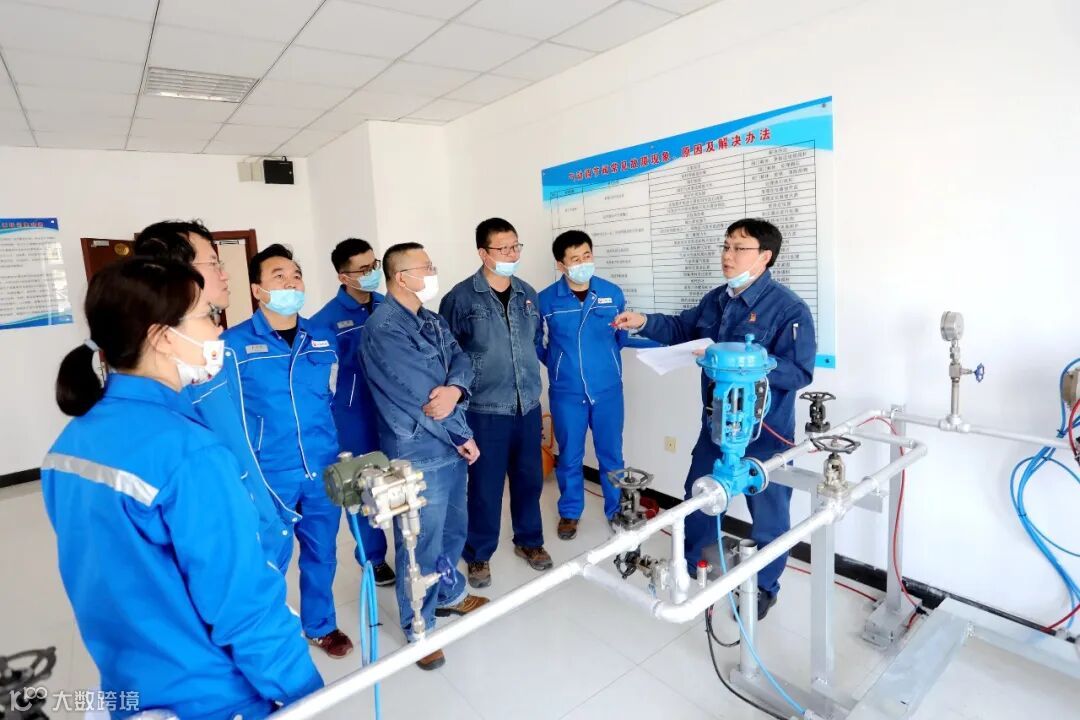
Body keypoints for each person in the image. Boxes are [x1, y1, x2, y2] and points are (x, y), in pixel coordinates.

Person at [42, 258, 322, 719]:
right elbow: (243, 606)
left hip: (129, 688)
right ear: (162, 336)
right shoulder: (191, 453)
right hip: (211, 698)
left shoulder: (68, 446)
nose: (219, 329)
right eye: (208, 315)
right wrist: (306, 692)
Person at [613, 218, 816, 620]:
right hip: (716, 427)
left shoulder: (788, 309)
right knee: (700, 495)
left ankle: (764, 587)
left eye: (739, 248)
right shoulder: (717, 300)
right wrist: (644, 322)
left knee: (769, 513)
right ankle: (699, 564)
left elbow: (799, 372)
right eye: (725, 246)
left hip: (764, 432)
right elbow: (681, 328)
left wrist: (742, 363)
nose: (728, 255)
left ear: (764, 257)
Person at [133, 220, 295, 562]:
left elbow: (240, 445)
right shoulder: (165, 386)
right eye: (213, 262)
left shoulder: (212, 358)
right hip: (230, 546)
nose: (224, 273)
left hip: (258, 524)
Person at [361, 242, 488, 671]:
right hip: (417, 450)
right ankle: (420, 627)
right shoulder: (383, 328)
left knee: (453, 529)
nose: (432, 271)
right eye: (426, 266)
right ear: (401, 277)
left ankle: (448, 591)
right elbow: (421, 396)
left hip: (448, 445)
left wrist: (456, 389)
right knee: (418, 541)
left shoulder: (430, 319)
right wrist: (461, 431)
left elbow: (460, 361)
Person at [223, 244, 353, 658]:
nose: (291, 282)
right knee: (267, 559)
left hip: (321, 464)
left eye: (296, 275)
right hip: (268, 472)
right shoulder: (233, 345)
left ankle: (320, 625)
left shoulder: (322, 337)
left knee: (322, 553)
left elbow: (329, 397)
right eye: (278, 276)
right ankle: (267, 635)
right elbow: (225, 415)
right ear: (257, 290)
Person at [439, 218, 551, 589]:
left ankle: (529, 540)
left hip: (527, 405)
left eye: (516, 246)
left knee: (529, 479)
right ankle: (478, 553)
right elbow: (447, 354)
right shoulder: (460, 298)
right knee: (485, 487)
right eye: (503, 248)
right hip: (484, 409)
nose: (512, 254)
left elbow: (531, 343)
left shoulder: (527, 294)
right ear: (483, 253)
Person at [311, 237, 394, 586]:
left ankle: (409, 545)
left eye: (374, 265)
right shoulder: (324, 322)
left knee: (398, 477)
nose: (373, 273)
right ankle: (373, 558)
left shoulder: (386, 305)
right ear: (343, 277)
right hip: (353, 416)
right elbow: (322, 384)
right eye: (363, 269)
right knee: (363, 485)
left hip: (393, 409)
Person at [537, 230, 629, 539]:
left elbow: (621, 338)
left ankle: (616, 510)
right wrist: (560, 366)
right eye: (575, 259)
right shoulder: (546, 300)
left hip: (608, 391)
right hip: (567, 393)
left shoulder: (612, 293)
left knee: (612, 455)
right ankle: (570, 512)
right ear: (561, 265)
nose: (582, 263)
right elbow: (538, 343)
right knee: (570, 456)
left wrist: (606, 364)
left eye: (586, 255)